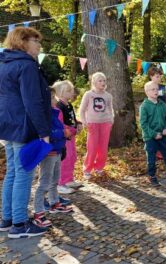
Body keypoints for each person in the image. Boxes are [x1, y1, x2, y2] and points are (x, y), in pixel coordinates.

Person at [0, 27, 50, 238]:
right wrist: (43, 131)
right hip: (22, 126)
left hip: (7, 125)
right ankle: (19, 225)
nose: (39, 45)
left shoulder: (4, 63)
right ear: (23, 42)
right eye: (35, 41)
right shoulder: (27, 66)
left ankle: (7, 219)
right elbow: (32, 102)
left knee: (13, 171)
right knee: (23, 173)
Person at [33, 88, 74, 228]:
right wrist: (62, 132)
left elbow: (61, 128)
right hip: (48, 153)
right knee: (44, 182)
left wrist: (68, 131)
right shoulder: (43, 116)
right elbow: (47, 132)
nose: (54, 100)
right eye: (51, 98)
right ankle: (38, 212)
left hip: (57, 151)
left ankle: (54, 202)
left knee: (55, 179)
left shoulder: (55, 113)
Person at [140, 81, 166, 187]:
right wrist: (154, 134)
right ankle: (152, 176)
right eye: (152, 89)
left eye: (156, 89)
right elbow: (143, 124)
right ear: (146, 92)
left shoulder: (162, 104)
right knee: (151, 157)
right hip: (150, 137)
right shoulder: (144, 106)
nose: (155, 91)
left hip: (162, 135)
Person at [79, 72, 114, 180]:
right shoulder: (89, 94)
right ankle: (87, 169)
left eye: (104, 80)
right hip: (92, 124)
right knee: (92, 147)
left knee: (103, 148)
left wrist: (111, 120)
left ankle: (99, 168)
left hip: (105, 123)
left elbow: (110, 108)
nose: (103, 82)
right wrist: (84, 121)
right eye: (100, 80)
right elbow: (82, 109)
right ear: (94, 82)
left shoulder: (108, 95)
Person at [54, 80, 83, 194]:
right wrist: (71, 130)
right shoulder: (59, 106)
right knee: (65, 158)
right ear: (61, 93)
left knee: (72, 157)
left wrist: (78, 123)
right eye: (69, 90)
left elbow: (72, 118)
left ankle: (68, 179)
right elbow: (60, 122)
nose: (72, 92)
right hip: (65, 137)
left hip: (72, 135)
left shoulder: (69, 104)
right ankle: (60, 183)